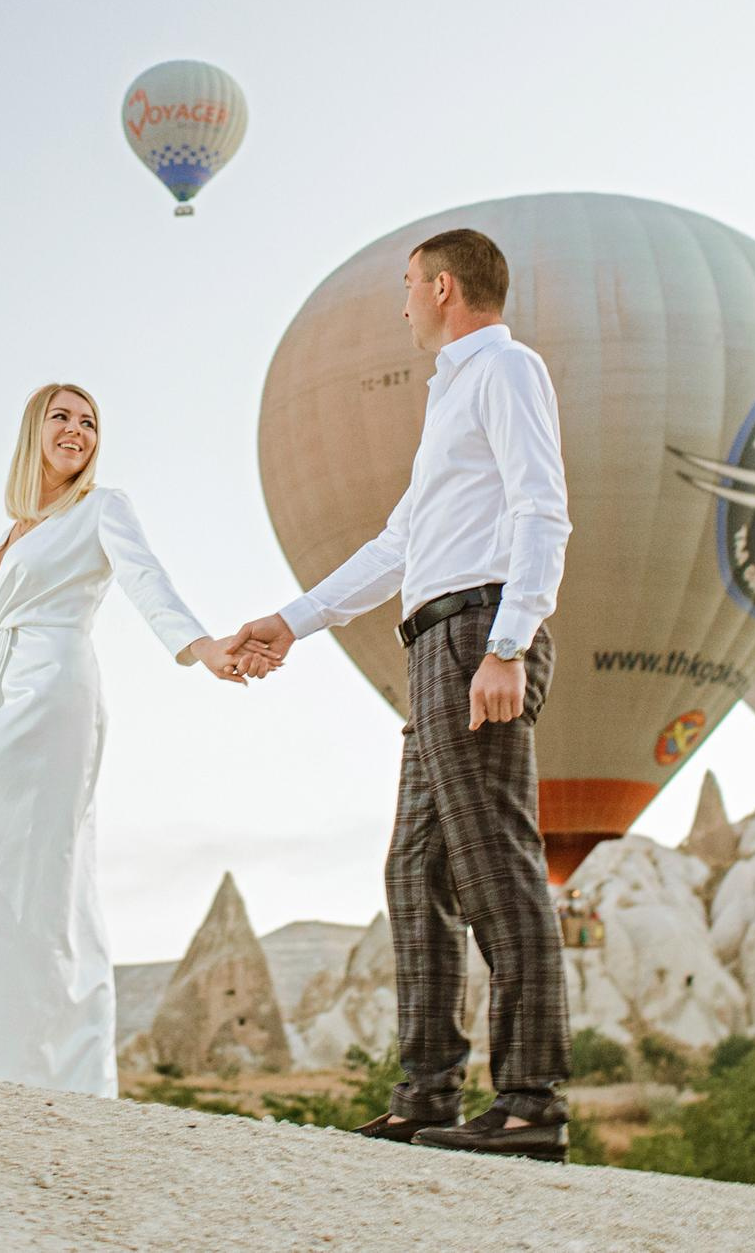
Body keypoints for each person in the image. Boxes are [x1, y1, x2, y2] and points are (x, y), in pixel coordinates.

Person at [227, 227, 574, 1160]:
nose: (404, 302)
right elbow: (397, 546)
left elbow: (543, 508)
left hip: (479, 636)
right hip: (433, 647)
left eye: (410, 284)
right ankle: (426, 1094)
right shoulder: (451, 396)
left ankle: (531, 1103)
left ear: (444, 287)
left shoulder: (506, 370)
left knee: (496, 865)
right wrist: (291, 621)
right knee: (414, 871)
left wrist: (508, 645)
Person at [0, 382, 272, 1096]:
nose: (76, 431)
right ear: (34, 429)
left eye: (89, 422)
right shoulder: (9, 536)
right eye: (61, 417)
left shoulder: (101, 507)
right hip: (2, 699)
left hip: (55, 699)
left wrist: (204, 647)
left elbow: (148, 582)